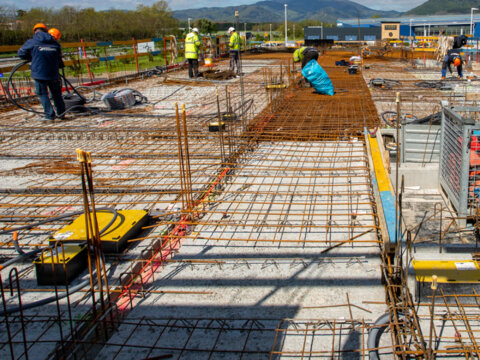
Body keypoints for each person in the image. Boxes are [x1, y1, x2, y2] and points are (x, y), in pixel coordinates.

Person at [18, 23, 65, 121]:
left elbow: (21, 53)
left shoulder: (32, 41)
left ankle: (49, 115)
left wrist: (32, 57)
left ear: (35, 31)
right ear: (46, 30)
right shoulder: (55, 43)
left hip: (39, 73)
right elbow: (59, 59)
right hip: (54, 73)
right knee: (56, 94)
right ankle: (61, 113)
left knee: (42, 94)